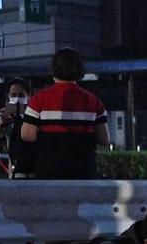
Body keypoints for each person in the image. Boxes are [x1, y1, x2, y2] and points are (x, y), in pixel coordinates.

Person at [22, 49, 109, 182]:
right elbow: (104, 139)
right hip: (84, 171)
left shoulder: (39, 99)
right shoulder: (93, 100)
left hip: (49, 170)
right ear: (79, 69)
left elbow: (27, 135)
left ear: (54, 69)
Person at [0, 78, 40, 244]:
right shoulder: (5, 112)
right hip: (17, 168)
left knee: (40, 210)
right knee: (25, 210)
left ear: (29, 95)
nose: (17, 98)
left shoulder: (36, 111)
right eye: (14, 95)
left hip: (37, 166)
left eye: (21, 94)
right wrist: (4, 123)